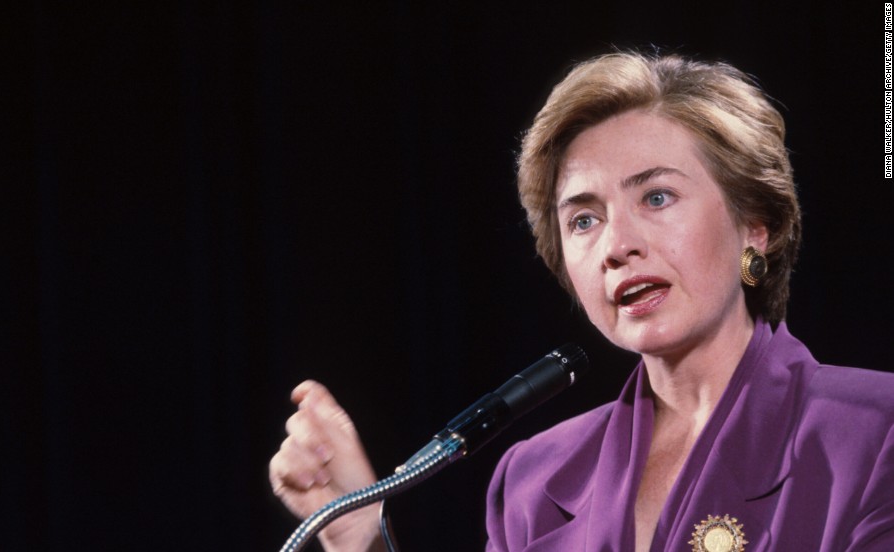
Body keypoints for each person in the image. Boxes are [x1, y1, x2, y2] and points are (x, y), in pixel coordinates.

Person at [269, 51, 894, 552]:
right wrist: (361, 538)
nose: (617, 246)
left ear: (754, 224)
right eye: (584, 220)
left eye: (656, 198)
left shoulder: (873, 435)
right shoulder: (533, 480)